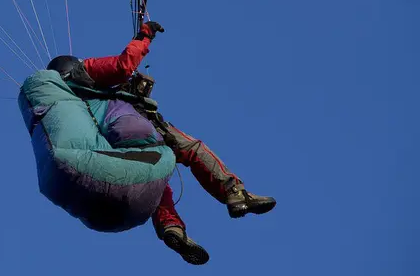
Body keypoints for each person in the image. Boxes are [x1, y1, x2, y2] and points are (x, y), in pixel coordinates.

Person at [46, 21, 276, 265]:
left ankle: (171, 226)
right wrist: (144, 36)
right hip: (134, 124)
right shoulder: (85, 70)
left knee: (156, 174)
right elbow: (123, 66)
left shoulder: (72, 104)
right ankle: (235, 193)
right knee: (192, 149)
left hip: (111, 142)